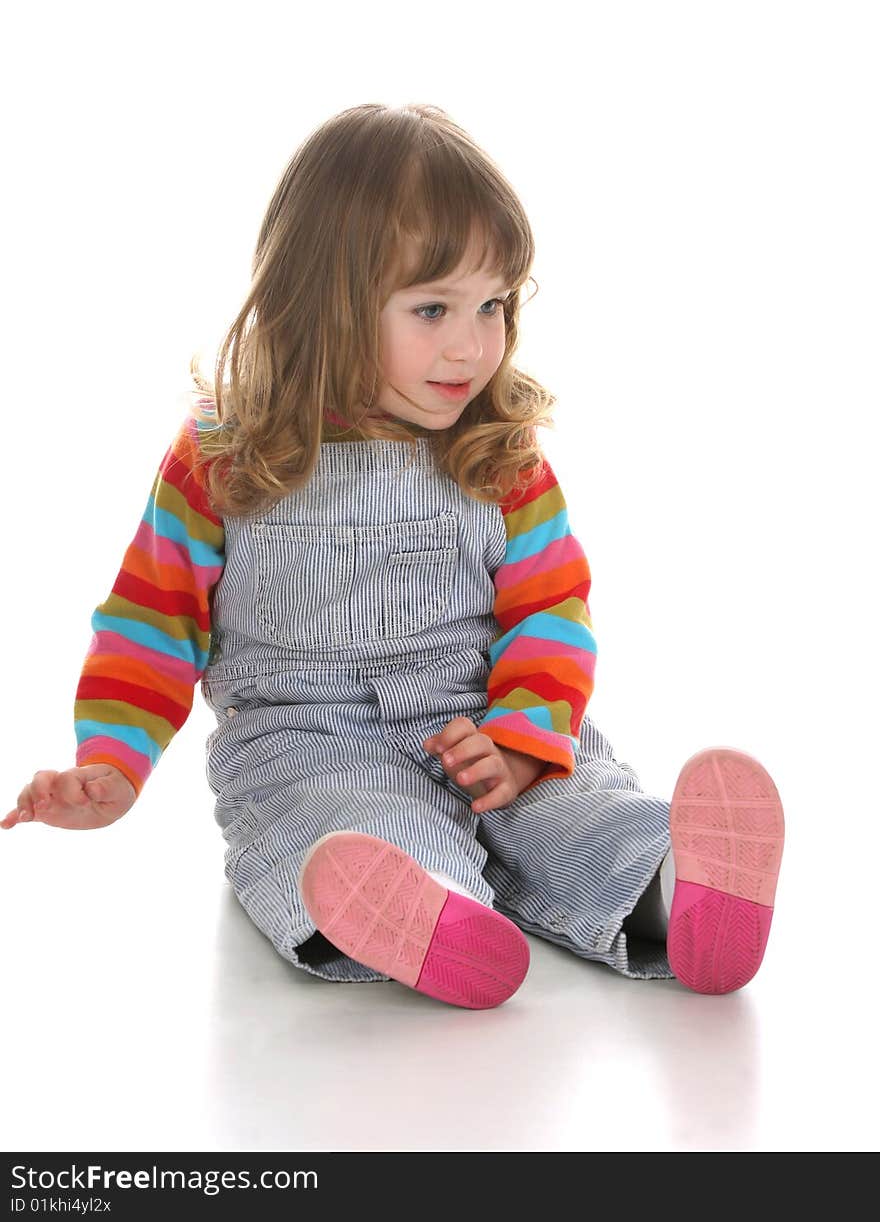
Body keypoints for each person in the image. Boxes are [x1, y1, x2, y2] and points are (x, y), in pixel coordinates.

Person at [2, 102, 784, 1008]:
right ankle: (427, 919)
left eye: (493, 304)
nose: (473, 343)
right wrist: (112, 755)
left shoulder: (499, 453)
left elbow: (553, 609)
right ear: (321, 303)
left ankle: (676, 888)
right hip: (308, 745)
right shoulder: (225, 455)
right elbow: (151, 620)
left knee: (579, 818)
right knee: (352, 830)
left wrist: (524, 744)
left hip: (486, 725)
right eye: (432, 308)